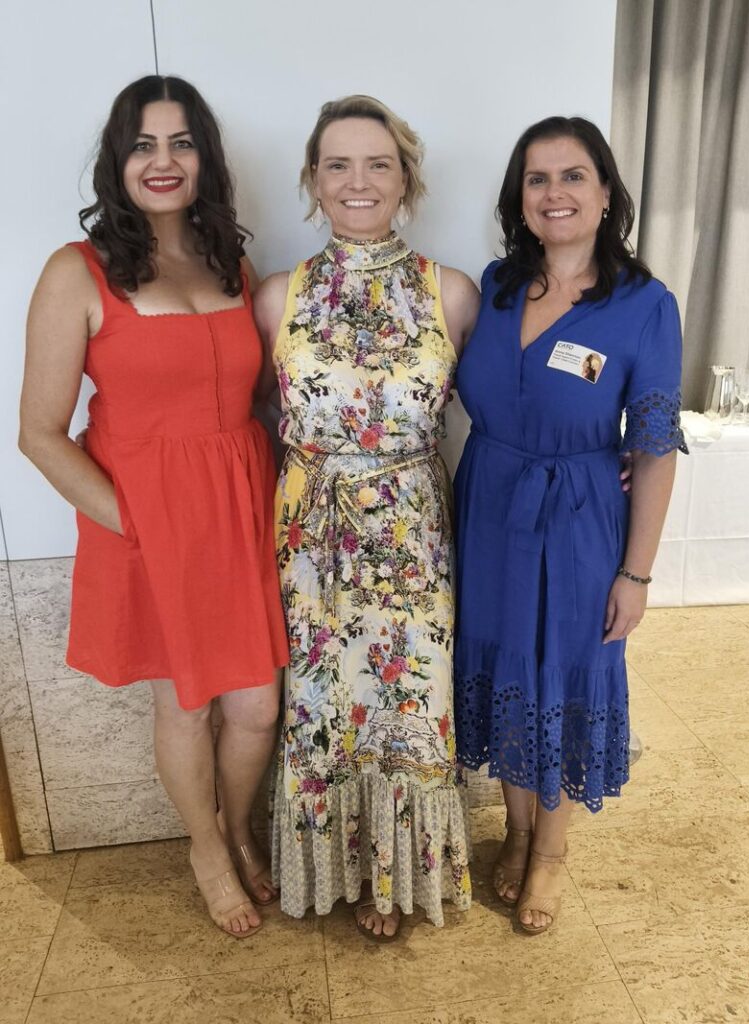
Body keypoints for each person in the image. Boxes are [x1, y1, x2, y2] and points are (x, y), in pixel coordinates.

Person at [19, 76, 289, 938]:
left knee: (256, 706)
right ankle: (207, 851)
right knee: (187, 703)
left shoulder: (230, 263)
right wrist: (132, 522)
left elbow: (269, 396)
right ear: (119, 161)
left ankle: (236, 827)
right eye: (144, 145)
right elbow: (39, 434)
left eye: (181, 143)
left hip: (241, 507)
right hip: (147, 518)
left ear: (205, 158)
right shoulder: (76, 270)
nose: (163, 161)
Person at [452, 116, 687, 934]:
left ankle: (550, 850)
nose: (555, 193)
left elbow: (653, 449)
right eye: (538, 178)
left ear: (606, 193)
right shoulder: (496, 286)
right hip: (488, 506)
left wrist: (637, 573)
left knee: (562, 672)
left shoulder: (644, 305)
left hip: (580, 520)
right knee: (503, 668)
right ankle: (516, 830)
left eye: (573, 175)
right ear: (519, 198)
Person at [254, 96, 479, 940]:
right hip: (311, 541)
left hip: (413, 540)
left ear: (406, 179)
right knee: (322, 705)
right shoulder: (278, 296)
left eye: (378, 163)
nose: (358, 181)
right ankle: (338, 869)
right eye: (338, 164)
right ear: (313, 180)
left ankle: (397, 876)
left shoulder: (451, 292)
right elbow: (254, 411)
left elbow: (498, 410)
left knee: (407, 702)